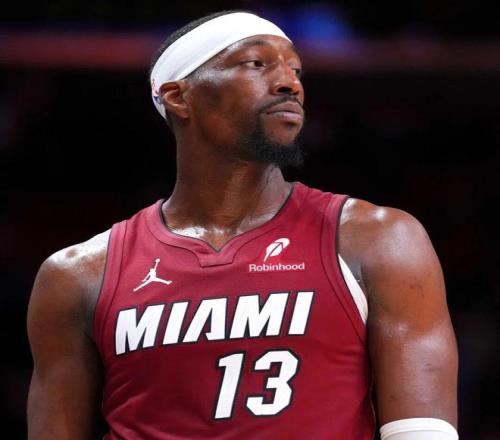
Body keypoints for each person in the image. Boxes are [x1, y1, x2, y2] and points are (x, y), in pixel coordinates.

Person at [27, 10, 459, 440]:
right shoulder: (78, 275)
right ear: (178, 97)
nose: (290, 83)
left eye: (295, 69)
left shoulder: (377, 240)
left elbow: (422, 432)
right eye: (257, 63)